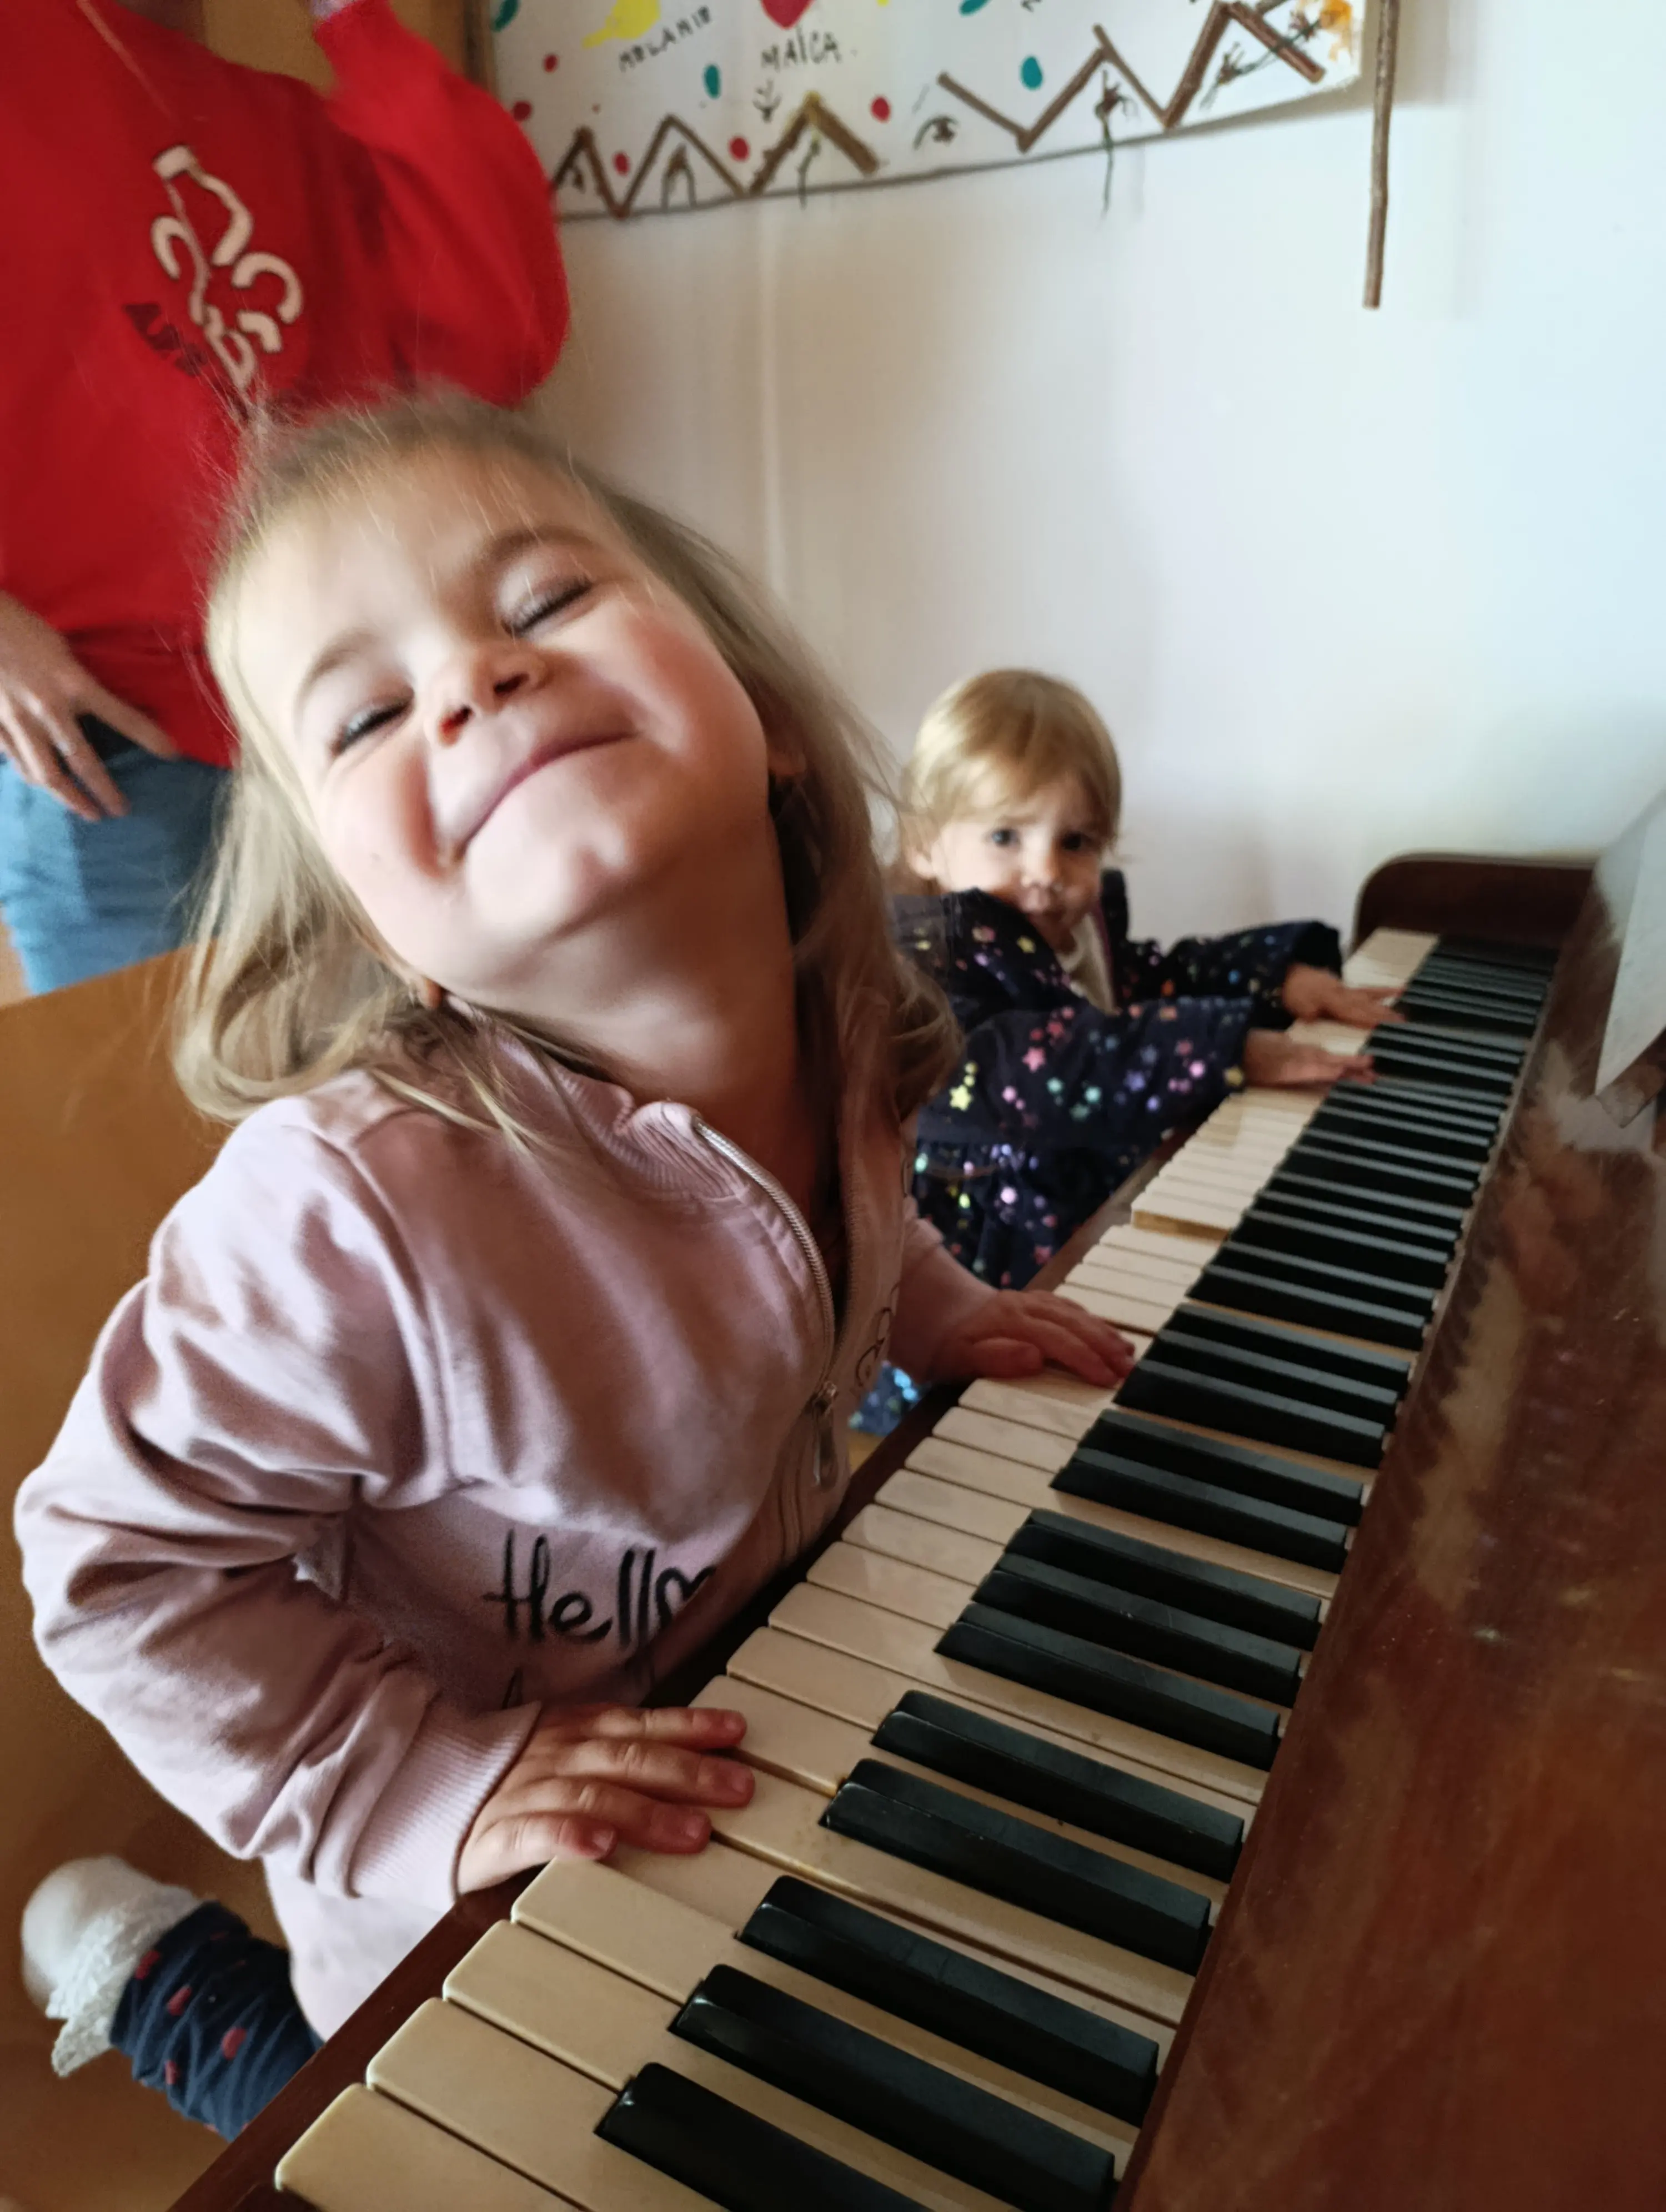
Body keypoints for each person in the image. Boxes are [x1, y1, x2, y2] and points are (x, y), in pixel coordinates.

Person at [13, 398, 1133, 2137]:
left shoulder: (855, 1014)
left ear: (760, 715)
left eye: (541, 605)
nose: (469, 684)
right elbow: (112, 1565)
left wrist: (938, 1306)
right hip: (451, 1899)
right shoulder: (351, 1209)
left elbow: (853, 1213)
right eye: (372, 712)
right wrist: (422, 1782)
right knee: (328, 2124)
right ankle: (156, 1972)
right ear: (382, 926)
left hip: (756, 1714)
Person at [0, 0, 568, 994]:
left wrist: (359, 25)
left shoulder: (281, 116)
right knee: (162, 1142)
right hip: (118, 747)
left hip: (357, 719)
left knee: (427, 1110)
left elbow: (498, 335)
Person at [894, 668, 1398, 1293]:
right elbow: (1030, 1069)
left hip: (1086, 1228)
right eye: (1005, 836)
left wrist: (1272, 979)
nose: (1047, 869)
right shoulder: (919, 973)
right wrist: (1221, 1046)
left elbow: (1147, 984)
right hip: (988, 1276)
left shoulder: (1064, 934)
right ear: (923, 844)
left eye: (1075, 840)